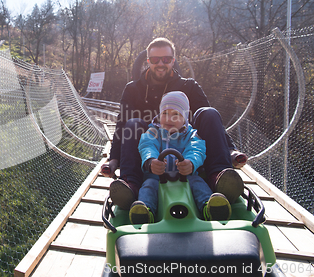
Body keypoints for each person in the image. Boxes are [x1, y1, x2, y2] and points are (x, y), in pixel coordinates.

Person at [104, 37, 245, 211]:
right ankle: (130, 185)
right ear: (148, 61)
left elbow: (213, 121)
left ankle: (219, 178)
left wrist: (230, 149)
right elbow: (122, 125)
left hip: (186, 147)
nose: (161, 64)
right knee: (132, 123)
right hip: (150, 152)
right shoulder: (133, 89)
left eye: (166, 59)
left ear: (173, 61)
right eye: (155, 60)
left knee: (208, 112)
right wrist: (114, 159)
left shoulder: (189, 86)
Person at [129, 91, 231, 224]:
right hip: (158, 176)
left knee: (198, 183)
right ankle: (145, 211)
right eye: (165, 113)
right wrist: (151, 161)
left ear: (185, 118)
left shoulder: (191, 134)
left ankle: (209, 207)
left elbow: (197, 149)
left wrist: (191, 163)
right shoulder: (153, 131)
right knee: (148, 186)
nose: (169, 118)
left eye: (176, 114)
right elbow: (147, 145)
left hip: (186, 175)